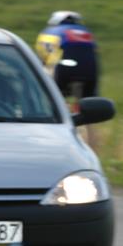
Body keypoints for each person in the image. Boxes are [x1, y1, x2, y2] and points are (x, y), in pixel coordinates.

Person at [35, 11, 100, 146]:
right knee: (88, 111)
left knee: (52, 104)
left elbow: (42, 58)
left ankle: (54, 138)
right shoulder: (86, 32)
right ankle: (91, 143)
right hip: (89, 71)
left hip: (62, 69)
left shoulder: (48, 32)